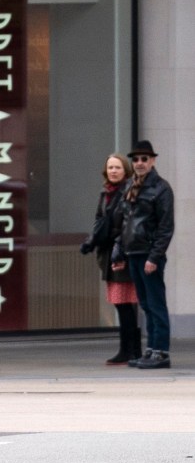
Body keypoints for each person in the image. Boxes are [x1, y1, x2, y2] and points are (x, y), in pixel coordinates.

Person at [113, 140, 174, 369]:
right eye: (136, 159)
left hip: (149, 254)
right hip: (134, 252)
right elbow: (124, 222)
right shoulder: (130, 186)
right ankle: (151, 349)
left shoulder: (161, 188)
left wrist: (154, 257)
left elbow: (165, 227)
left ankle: (161, 351)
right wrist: (119, 251)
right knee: (146, 305)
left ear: (152, 161)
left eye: (144, 159)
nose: (139, 163)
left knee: (156, 304)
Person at [79, 154, 140, 365]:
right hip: (107, 253)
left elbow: (128, 225)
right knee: (121, 303)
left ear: (125, 171)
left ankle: (129, 350)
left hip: (121, 254)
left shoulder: (129, 191)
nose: (113, 171)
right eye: (110, 167)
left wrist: (119, 250)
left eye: (117, 167)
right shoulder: (105, 193)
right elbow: (99, 221)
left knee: (125, 303)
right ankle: (131, 350)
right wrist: (90, 241)